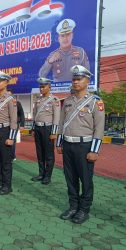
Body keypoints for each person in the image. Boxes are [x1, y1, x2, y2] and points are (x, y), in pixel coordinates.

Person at [56, 65, 105, 224]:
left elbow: (99, 128)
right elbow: (62, 122)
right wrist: (59, 142)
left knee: (86, 179)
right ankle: (73, 206)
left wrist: (95, 150)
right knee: (70, 178)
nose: (76, 82)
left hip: (85, 147)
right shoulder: (68, 101)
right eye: (74, 79)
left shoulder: (95, 102)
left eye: (79, 79)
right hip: (68, 146)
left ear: (87, 81)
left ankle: (84, 210)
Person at [0, 71, 18, 195]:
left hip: (5, 131)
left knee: (6, 160)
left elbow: (14, 120)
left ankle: (7, 185)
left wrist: (11, 137)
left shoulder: (10, 99)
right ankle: (0, 182)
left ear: (6, 83)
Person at [31, 77, 60, 185]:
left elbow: (57, 117)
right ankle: (41, 173)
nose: (41, 88)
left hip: (48, 129)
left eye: (43, 86)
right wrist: (33, 128)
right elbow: (35, 115)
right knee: (40, 152)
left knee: (48, 154)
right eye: (40, 86)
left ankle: (47, 176)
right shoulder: (38, 100)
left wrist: (54, 132)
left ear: (49, 87)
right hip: (38, 128)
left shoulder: (54, 100)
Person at [8, 89, 25, 161]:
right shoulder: (4, 103)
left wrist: (22, 124)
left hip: (15, 124)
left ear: (12, 95)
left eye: (9, 94)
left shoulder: (17, 103)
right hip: (6, 124)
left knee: (12, 139)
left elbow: (22, 114)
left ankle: (12, 156)